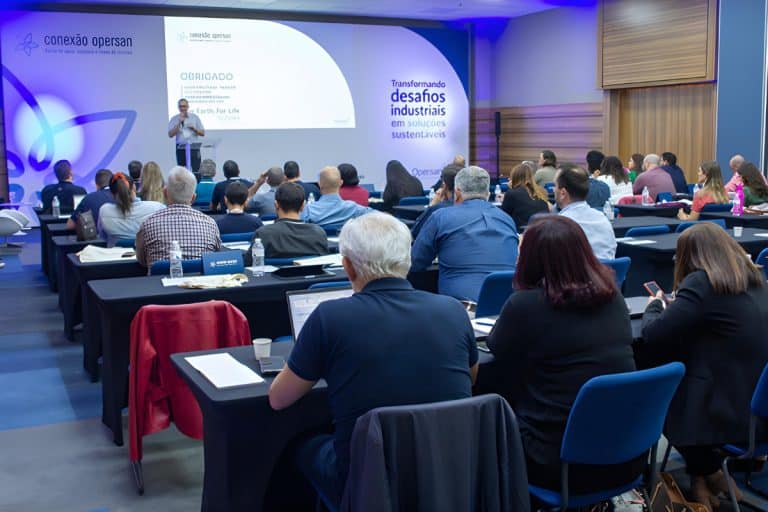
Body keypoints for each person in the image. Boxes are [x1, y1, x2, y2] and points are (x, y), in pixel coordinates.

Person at [269, 212, 478, 509]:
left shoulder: (329, 317)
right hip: (448, 474)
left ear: (348, 267)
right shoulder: (454, 311)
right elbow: (470, 378)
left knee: (298, 447)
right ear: (407, 259)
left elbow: (279, 399)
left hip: (367, 479)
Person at [487, 215, 637, 494]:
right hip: (626, 453)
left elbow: (497, 347)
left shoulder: (525, 305)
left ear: (530, 259)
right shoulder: (613, 297)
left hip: (556, 463)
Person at [641, 223, 768, 510]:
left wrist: (655, 305)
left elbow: (653, 335)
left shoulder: (702, 283)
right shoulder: (755, 279)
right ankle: (703, 479)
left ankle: (708, 471)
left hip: (732, 417)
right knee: (690, 374)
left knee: (663, 393)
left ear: (691, 258)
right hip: (758, 408)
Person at [411, 166, 519, 302]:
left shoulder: (440, 217)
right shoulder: (506, 219)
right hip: (507, 307)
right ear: (487, 193)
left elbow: (416, 262)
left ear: (457, 192)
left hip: (461, 311)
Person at [135, 166, 221, 268]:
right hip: (200, 283)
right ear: (193, 198)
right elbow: (216, 257)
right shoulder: (210, 224)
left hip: (157, 282)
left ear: (165, 193)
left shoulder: (147, 224)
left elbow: (142, 261)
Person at [250, 182, 328, 259]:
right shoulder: (319, 234)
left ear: (276, 205)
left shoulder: (262, 235)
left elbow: (249, 264)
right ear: (303, 206)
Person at [555, 163, 616, 260]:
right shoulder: (602, 219)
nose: (553, 190)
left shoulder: (559, 224)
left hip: (575, 274)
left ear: (563, 193)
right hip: (606, 274)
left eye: (555, 186)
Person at [97, 172, 165, 246]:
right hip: (149, 256)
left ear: (112, 194)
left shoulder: (104, 211)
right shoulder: (158, 208)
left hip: (117, 256)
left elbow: (103, 237)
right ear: (134, 187)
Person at [300, 166, 372, 227]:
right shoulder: (354, 208)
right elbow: (379, 216)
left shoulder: (308, 211)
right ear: (341, 183)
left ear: (319, 184)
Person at [411, 163, 461, 239]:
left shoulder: (438, 210)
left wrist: (432, 205)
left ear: (444, 185)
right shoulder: (474, 206)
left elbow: (415, 232)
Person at [500, 162, 550, 228]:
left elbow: (503, 218)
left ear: (514, 177)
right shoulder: (541, 192)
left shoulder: (512, 193)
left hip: (523, 234)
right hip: (543, 232)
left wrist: (509, 191)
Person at [167, 98, 205, 174]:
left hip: (193, 147)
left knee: (196, 170)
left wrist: (194, 129)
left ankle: (196, 184)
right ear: (178, 107)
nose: (182, 108)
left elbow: (202, 133)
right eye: (180, 106)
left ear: (188, 107)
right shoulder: (174, 119)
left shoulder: (195, 117)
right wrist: (178, 123)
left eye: (184, 106)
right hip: (181, 148)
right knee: (182, 171)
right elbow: (170, 134)